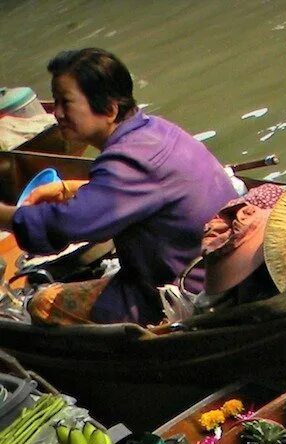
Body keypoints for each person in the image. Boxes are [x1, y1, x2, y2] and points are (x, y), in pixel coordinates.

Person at [0, 48, 234, 325]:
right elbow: (137, 189)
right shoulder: (155, 130)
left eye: (66, 103)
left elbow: (66, 225)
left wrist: (5, 215)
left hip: (185, 293)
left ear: (109, 110)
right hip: (216, 271)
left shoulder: (127, 160)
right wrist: (70, 188)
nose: (57, 114)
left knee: (42, 304)